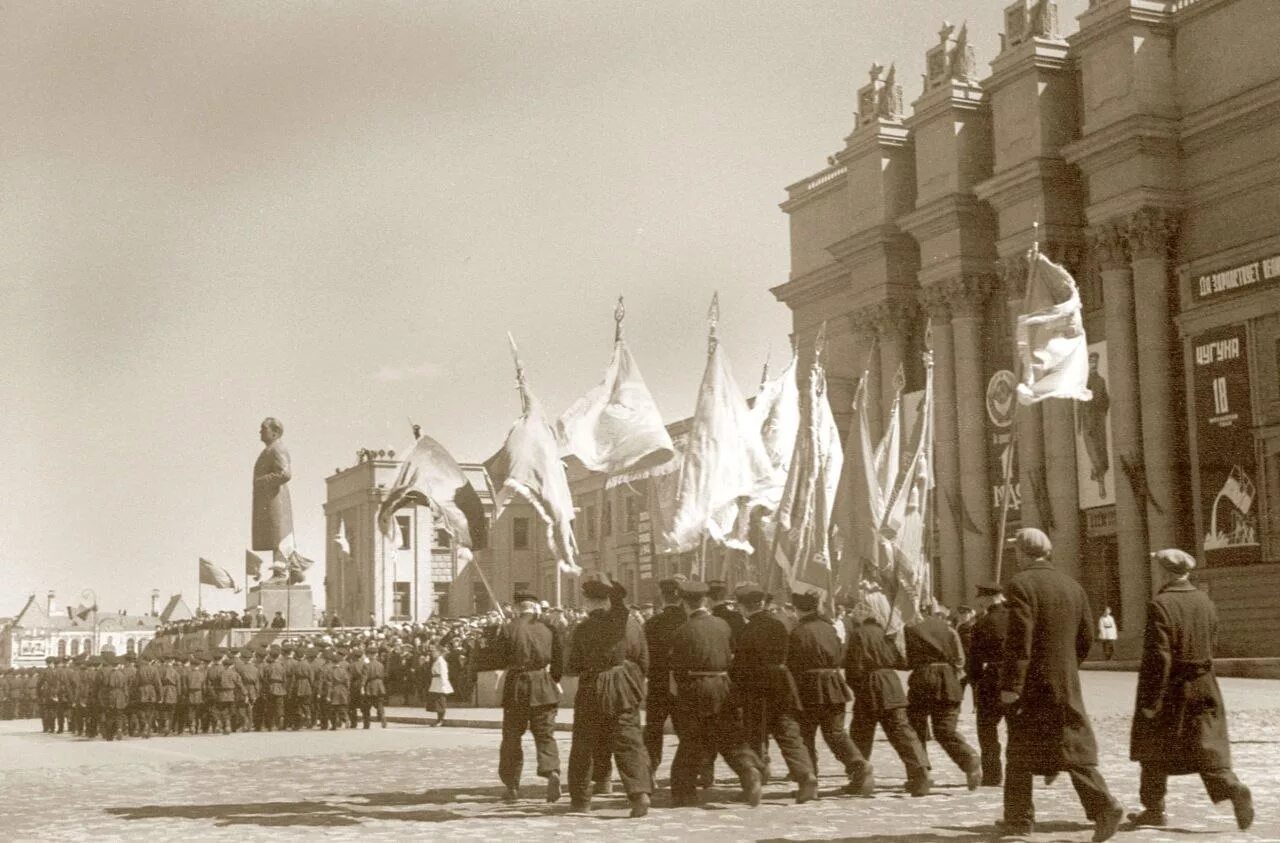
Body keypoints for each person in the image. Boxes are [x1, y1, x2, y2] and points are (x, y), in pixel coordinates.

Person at [997, 527, 1125, 841]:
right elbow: (1086, 636)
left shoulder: (1020, 585)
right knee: (1064, 741)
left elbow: (1019, 640)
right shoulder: (1072, 586)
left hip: (1031, 684)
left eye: (1016, 549)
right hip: (1063, 678)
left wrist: (1012, 684)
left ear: (1022, 552)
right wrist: (1067, 664)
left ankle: (1101, 805)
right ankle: (1017, 817)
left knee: (1024, 747)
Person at [1127, 548, 1253, 831]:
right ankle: (1232, 788)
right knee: (1205, 745)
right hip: (1205, 682)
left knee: (1153, 747)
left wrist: (1151, 699)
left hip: (1172, 687)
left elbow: (1159, 657)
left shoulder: (1160, 604)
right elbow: (1213, 641)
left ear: (1164, 571)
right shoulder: (1205, 602)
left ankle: (1154, 808)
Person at [667, 580, 763, 808]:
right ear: (705, 600)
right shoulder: (723, 625)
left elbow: (677, 669)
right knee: (729, 735)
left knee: (692, 739)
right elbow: (731, 654)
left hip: (696, 686)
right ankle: (749, 769)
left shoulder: (682, 630)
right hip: (723, 684)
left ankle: (684, 791)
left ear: (683, 602)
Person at [565, 573, 652, 817]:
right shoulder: (632, 624)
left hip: (593, 687)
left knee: (584, 744)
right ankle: (639, 794)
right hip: (625, 685)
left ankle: (581, 800)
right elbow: (644, 659)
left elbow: (572, 666)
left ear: (590, 603)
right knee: (629, 741)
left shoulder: (582, 629)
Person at [731, 581, 817, 803]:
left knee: (754, 735)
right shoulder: (780, 624)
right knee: (788, 733)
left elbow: (740, 665)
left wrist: (736, 690)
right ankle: (806, 774)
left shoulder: (747, 630)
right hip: (782, 684)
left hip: (757, 687)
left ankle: (755, 779)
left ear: (743, 607)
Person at [788, 590, 874, 796]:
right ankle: (859, 765)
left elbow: (793, 663)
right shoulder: (830, 628)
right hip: (834, 684)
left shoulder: (798, 632)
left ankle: (809, 779)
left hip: (809, 686)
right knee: (836, 733)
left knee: (805, 735)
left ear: (798, 609)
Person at [844, 594, 930, 796]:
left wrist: (856, 686)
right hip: (891, 685)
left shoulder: (860, 634)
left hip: (869, 685)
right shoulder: (888, 632)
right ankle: (920, 773)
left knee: (861, 734)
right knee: (902, 733)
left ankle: (860, 777)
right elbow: (901, 660)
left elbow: (853, 667)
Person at [904, 604, 982, 790]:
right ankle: (969, 759)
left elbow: (907, 660)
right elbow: (960, 660)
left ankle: (920, 773)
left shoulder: (912, 630)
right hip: (948, 681)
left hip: (923, 679)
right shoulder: (950, 630)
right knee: (945, 730)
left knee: (915, 730)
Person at [496, 592, 563, 803]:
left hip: (517, 685)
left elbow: (499, 658)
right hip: (543, 684)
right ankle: (551, 770)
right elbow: (560, 659)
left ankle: (512, 784)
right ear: (535, 608)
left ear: (517, 608)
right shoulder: (548, 628)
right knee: (545, 735)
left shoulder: (508, 628)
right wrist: (554, 678)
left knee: (511, 738)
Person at [642, 575, 688, 775]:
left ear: (662, 596)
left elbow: (644, 657)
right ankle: (698, 770)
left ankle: (650, 768)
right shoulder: (688, 622)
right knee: (688, 730)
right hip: (685, 683)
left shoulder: (652, 624)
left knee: (653, 729)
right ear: (681, 597)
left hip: (658, 683)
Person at [968, 582, 1010, 787]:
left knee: (986, 728)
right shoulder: (1017, 618)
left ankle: (993, 774)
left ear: (986, 599)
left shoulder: (982, 623)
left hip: (992, 678)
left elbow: (974, 659)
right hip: (1017, 678)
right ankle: (1020, 772)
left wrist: (975, 681)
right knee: (1017, 728)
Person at [252, 417, 295, 582]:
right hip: (270, 498)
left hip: (276, 499)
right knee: (274, 535)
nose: (260, 432)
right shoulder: (269, 449)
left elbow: (285, 473)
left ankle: (281, 573)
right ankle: (279, 571)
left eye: (264, 429)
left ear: (275, 432)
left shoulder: (278, 449)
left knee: (279, 534)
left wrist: (263, 480)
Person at [425, 646, 451, 726]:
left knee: (440, 701)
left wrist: (444, 684)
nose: (433, 654)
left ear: (439, 652)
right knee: (436, 702)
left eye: (434, 652)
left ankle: (441, 720)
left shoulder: (441, 661)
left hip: (440, 683)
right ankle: (438, 719)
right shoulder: (436, 661)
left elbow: (444, 673)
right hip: (436, 682)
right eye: (432, 652)